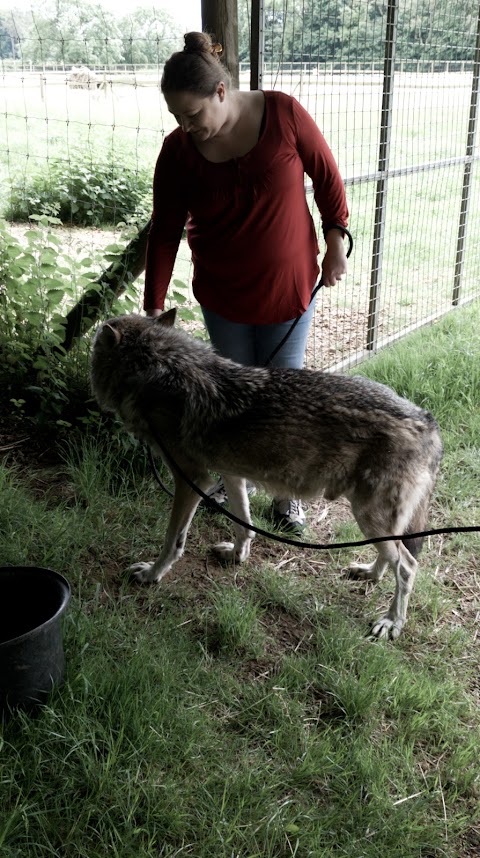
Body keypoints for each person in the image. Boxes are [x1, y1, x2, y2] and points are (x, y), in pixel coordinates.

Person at [144, 31, 349, 534]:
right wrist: (153, 304)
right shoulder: (178, 152)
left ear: (220, 92)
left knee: (283, 396)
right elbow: (165, 229)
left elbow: (328, 180)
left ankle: (286, 495)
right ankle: (240, 486)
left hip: (288, 288)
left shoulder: (283, 114)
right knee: (233, 395)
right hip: (224, 294)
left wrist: (337, 242)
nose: (186, 127)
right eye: (176, 117)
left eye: (192, 115)